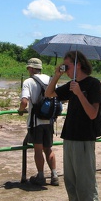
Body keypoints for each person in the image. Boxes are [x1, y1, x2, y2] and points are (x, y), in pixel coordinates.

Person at [45, 51, 101, 201]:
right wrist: (57, 75)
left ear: (78, 64)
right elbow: (49, 93)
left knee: (86, 179)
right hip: (70, 137)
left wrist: (79, 94)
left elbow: (93, 113)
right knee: (74, 180)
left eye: (67, 65)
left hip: (85, 138)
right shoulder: (71, 85)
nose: (65, 68)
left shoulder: (93, 84)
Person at [18, 58, 59, 187]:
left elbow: (24, 102)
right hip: (49, 121)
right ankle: (54, 175)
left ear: (30, 68)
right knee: (48, 149)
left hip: (36, 122)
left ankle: (40, 176)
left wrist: (20, 110)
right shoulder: (51, 79)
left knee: (38, 150)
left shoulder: (28, 82)